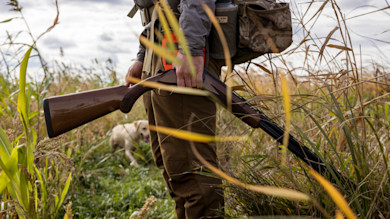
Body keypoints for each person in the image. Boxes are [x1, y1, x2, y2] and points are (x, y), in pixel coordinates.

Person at [126, 1, 225, 218]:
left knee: (193, 173)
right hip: (160, 56)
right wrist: (143, 56)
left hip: (181, 56)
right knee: (173, 167)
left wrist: (190, 48)